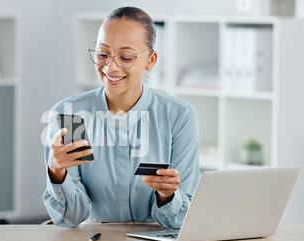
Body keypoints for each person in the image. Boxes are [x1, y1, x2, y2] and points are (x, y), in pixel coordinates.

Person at [43, 6, 200, 229]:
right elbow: (71, 218)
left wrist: (167, 196)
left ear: (151, 60)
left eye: (126, 57)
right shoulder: (70, 115)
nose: (111, 66)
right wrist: (56, 172)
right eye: (102, 54)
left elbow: (180, 220)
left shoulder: (179, 117)